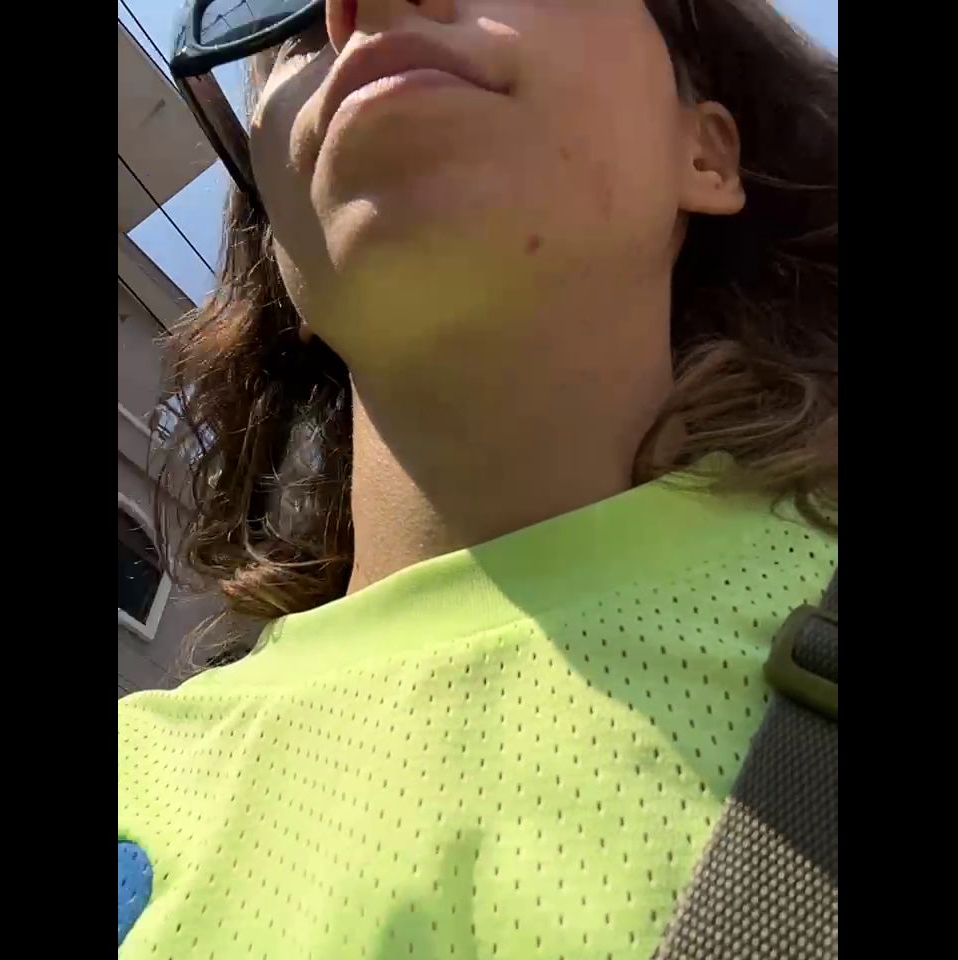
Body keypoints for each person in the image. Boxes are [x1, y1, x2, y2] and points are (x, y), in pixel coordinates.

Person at [118, 0, 837, 957]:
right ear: (280, 251)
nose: (354, 7)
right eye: (284, 21)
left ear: (706, 154)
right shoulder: (138, 786)